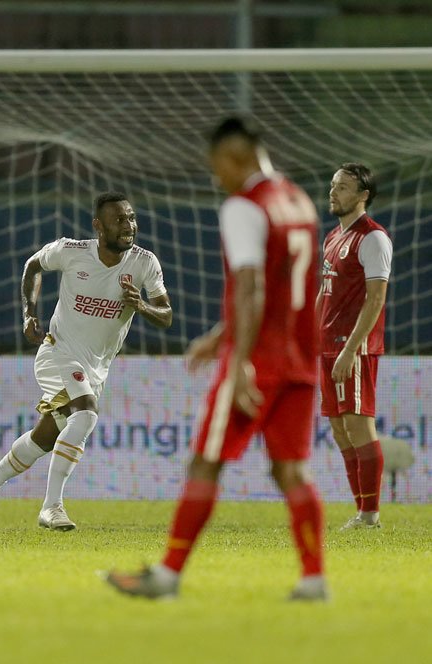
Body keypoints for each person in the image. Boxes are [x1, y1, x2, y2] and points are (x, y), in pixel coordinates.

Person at [106, 116, 327, 601]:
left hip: (259, 361)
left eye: (217, 166)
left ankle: (166, 577)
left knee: (205, 463)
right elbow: (282, 286)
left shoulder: (244, 207)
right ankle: (314, 580)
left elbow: (252, 286)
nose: (216, 178)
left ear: (235, 157)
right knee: (290, 469)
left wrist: (240, 357)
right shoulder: (299, 200)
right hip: (301, 359)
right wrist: (219, 334)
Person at [0, 191, 172, 532]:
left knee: (46, 438)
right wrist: (28, 314)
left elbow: (165, 314)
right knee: (86, 414)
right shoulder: (72, 251)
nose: (128, 226)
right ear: (98, 225)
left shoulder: (144, 262)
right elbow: (33, 265)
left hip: (97, 367)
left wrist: (142, 306)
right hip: (57, 353)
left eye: (131, 218)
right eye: (119, 220)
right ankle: (52, 507)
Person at [319, 163, 391, 530]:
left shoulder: (373, 238)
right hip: (327, 347)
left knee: (359, 426)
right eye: (333, 185)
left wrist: (350, 349)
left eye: (344, 187)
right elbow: (325, 293)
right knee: (339, 429)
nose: (334, 192)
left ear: (363, 195)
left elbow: (375, 300)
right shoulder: (333, 237)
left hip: (354, 348)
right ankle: (362, 511)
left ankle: (370, 515)